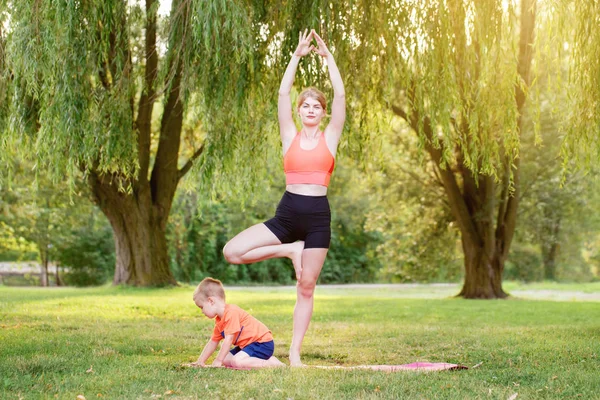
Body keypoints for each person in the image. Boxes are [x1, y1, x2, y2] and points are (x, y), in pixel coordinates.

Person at [222, 29, 346, 366]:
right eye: (304, 105)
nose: (310, 109)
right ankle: (289, 249)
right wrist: (295, 57)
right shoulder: (288, 135)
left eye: (315, 106)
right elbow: (281, 92)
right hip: (288, 213)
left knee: (306, 286)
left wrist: (328, 58)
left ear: (322, 113)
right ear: (300, 110)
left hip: (318, 217)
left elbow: (340, 96)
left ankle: (294, 352)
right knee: (232, 252)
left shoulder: (330, 137)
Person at [186, 277, 285, 369]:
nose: (202, 311)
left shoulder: (231, 312)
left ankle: (271, 363)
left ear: (211, 301)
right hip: (247, 345)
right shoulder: (219, 321)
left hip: (262, 343)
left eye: (201, 307)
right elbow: (213, 342)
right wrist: (200, 361)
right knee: (226, 360)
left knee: (236, 361)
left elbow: (228, 340)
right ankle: (259, 360)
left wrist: (218, 360)